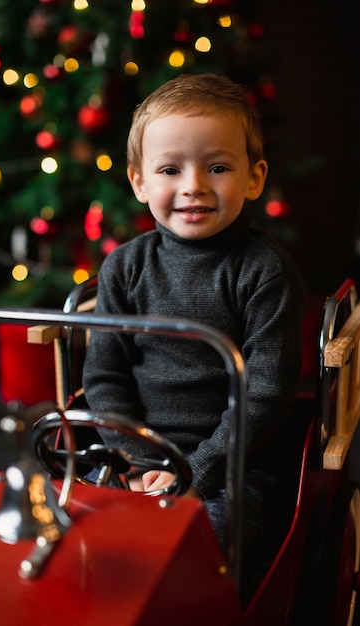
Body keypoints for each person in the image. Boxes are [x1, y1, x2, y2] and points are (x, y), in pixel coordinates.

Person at [82, 73, 306, 582]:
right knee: (82, 529)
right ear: (139, 181)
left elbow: (265, 395)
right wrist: (136, 462)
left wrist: (196, 473)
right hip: (136, 453)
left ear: (254, 177)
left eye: (219, 166)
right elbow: (104, 378)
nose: (193, 186)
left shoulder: (265, 271)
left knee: (200, 552)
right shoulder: (124, 267)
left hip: (231, 464)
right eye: (169, 169)